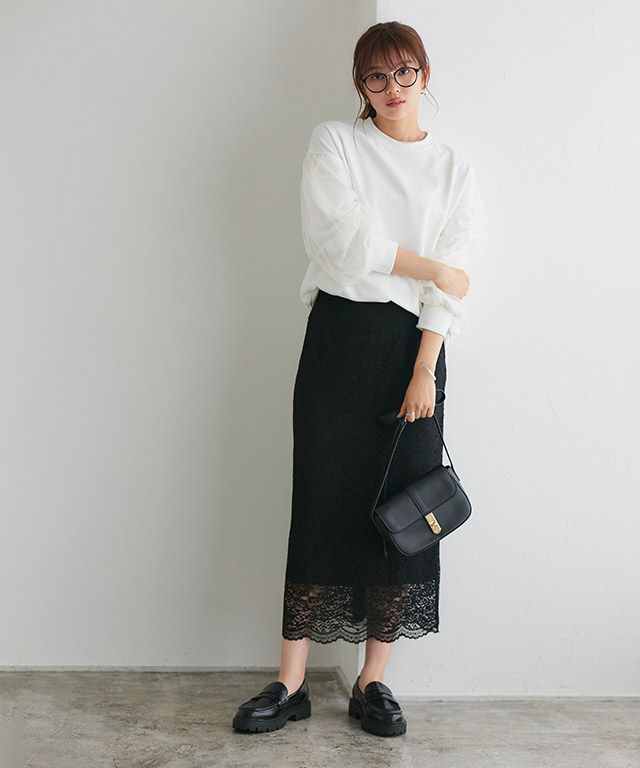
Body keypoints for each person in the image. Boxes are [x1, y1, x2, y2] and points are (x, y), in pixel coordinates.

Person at [232, 20, 487, 737]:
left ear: (425, 75)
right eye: (377, 76)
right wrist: (433, 268)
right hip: (340, 339)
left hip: (415, 350)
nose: (393, 88)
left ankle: (373, 680)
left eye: (405, 72)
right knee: (319, 501)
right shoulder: (335, 143)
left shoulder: (454, 169)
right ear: (360, 85)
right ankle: (290, 682)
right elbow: (340, 239)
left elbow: (457, 280)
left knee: (401, 516)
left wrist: (424, 368)